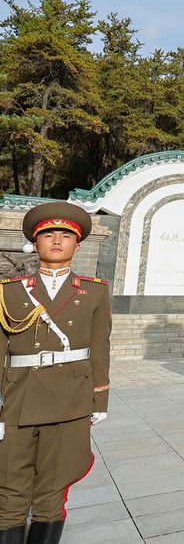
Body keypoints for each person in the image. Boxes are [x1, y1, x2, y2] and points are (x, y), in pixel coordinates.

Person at [0, 202, 111, 542]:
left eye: (66, 235)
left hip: (70, 398)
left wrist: (99, 399)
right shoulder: (9, 289)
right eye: (49, 235)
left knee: (52, 489)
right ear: (36, 243)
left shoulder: (94, 290)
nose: (58, 240)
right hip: (18, 397)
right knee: (9, 487)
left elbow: (100, 345)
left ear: (77, 245)